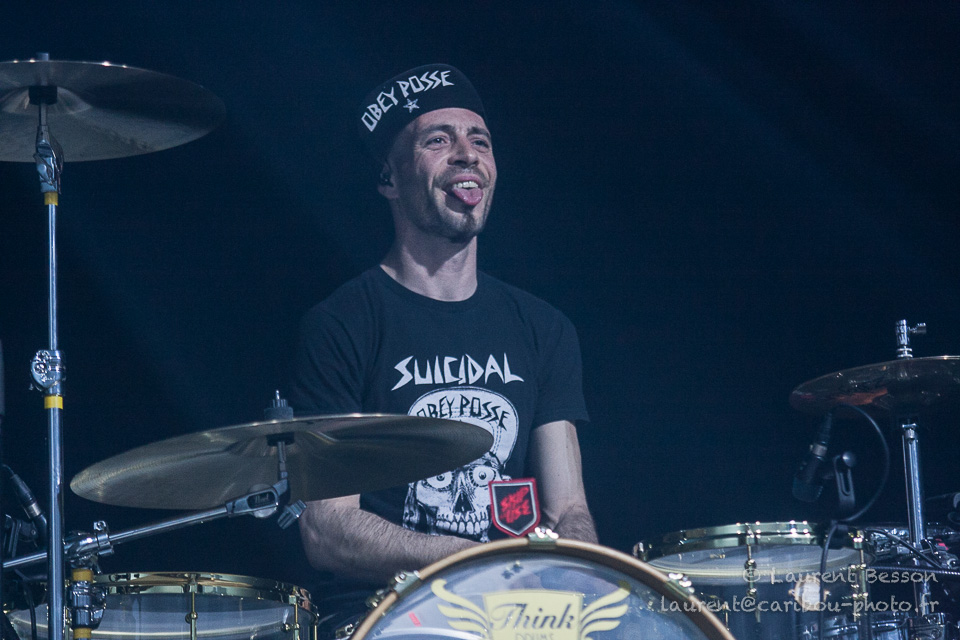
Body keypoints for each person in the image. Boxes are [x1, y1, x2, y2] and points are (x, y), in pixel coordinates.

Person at [288, 64, 597, 634]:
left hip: (513, 616)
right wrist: (475, 563)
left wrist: (573, 581)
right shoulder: (342, 324)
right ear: (389, 179)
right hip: (386, 613)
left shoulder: (543, 327)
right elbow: (328, 529)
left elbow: (568, 510)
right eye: (438, 140)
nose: (466, 154)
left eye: (480, 140)